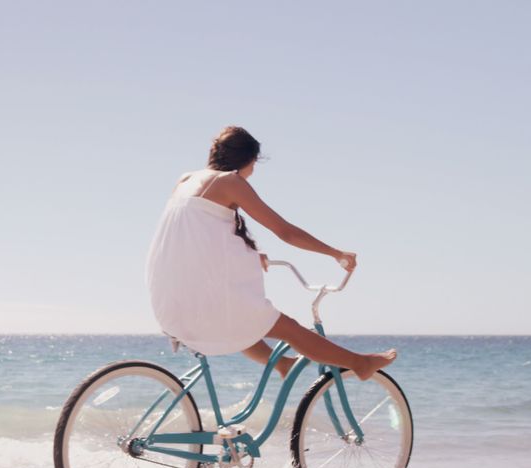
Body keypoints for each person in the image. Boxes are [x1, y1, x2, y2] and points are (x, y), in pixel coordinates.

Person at [145, 126, 396, 380]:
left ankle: (282, 365)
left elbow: (193, 238)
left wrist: (250, 255)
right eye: (254, 165)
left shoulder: (186, 179)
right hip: (200, 303)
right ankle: (359, 363)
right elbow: (285, 232)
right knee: (289, 329)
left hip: (168, 300)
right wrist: (335, 253)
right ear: (247, 160)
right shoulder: (229, 182)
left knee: (241, 324)